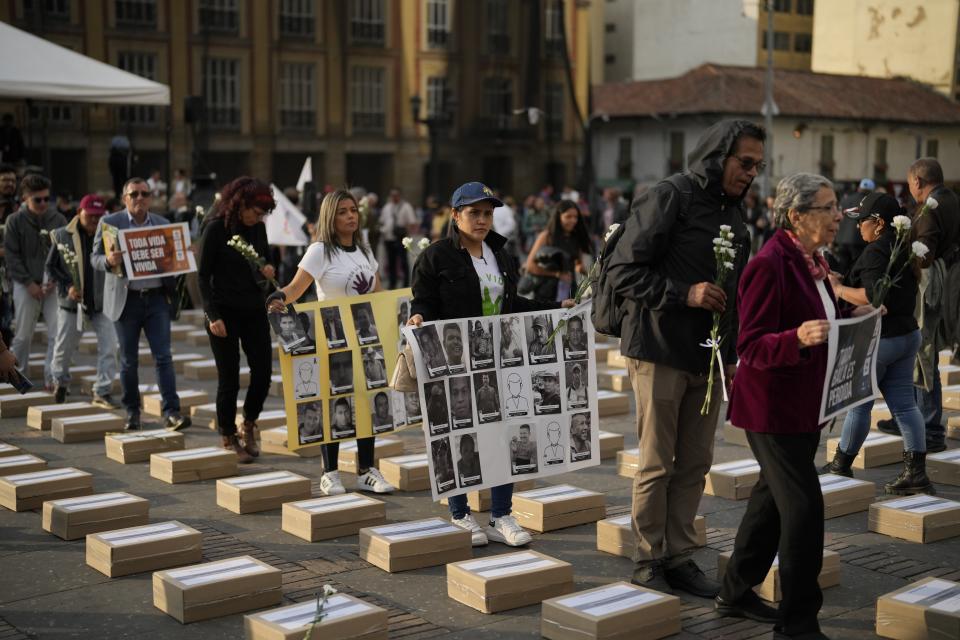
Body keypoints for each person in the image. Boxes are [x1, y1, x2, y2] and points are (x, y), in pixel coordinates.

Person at [605, 119, 764, 597]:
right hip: (657, 348)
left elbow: (733, 295)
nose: (752, 173)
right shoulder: (670, 195)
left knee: (696, 461)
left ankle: (679, 553)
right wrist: (684, 293)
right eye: (745, 162)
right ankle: (648, 556)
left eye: (758, 165)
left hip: (707, 357)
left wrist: (731, 357)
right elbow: (621, 271)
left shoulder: (736, 218)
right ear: (719, 157)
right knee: (656, 460)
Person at [719, 173, 878, 640]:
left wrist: (855, 315)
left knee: (770, 504)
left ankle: (732, 591)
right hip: (772, 411)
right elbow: (750, 345)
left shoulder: (812, 259)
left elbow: (820, 316)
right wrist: (796, 338)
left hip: (805, 406)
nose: (838, 216)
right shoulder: (769, 264)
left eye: (837, 208)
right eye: (828, 208)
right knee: (804, 509)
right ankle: (798, 623)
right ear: (796, 216)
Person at [408, 180, 567, 547]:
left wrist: (556, 309)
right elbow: (424, 302)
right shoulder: (435, 257)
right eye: (474, 213)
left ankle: (501, 514)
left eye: (487, 213)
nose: (482, 220)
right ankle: (461, 514)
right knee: (460, 434)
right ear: (455, 215)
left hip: (501, 359)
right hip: (456, 363)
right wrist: (418, 317)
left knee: (504, 433)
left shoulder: (501, 255)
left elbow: (513, 306)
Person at [267, 189, 394, 495]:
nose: (351, 215)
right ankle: (330, 472)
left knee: (366, 401)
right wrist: (279, 297)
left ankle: (366, 470)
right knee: (336, 401)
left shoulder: (365, 251)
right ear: (330, 217)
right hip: (333, 337)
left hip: (365, 340)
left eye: (353, 210)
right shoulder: (319, 251)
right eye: (343, 211)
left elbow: (376, 293)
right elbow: (298, 287)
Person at [822, 192, 932, 495]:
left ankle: (841, 465)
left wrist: (839, 287)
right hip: (907, 335)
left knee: (859, 406)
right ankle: (916, 472)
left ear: (880, 224)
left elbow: (872, 297)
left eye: (863, 222)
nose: (858, 228)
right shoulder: (901, 247)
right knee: (905, 406)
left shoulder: (876, 251)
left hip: (881, 340)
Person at [91, 177, 190, 431]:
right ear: (125, 198)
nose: (139, 199)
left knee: (164, 357)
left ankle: (171, 412)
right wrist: (109, 261)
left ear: (151, 198)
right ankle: (132, 412)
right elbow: (94, 258)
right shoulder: (109, 223)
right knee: (128, 360)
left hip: (156, 299)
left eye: (144, 194)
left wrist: (183, 258)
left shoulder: (163, 224)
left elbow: (174, 263)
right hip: (126, 301)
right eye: (134, 194)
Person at [876, 158, 960, 454]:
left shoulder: (929, 207)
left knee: (923, 355)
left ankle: (930, 427)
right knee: (921, 352)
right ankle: (910, 419)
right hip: (948, 281)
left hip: (930, 286)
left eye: (910, 184)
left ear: (918, 182)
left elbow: (924, 252)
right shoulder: (952, 199)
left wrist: (901, 259)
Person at [197, 177, 277, 462]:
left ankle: (249, 422)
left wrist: (267, 271)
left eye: (263, 214)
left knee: (263, 373)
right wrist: (212, 315)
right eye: (256, 212)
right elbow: (203, 277)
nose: (258, 218)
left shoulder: (259, 230)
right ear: (240, 203)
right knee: (229, 378)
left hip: (253, 308)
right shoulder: (216, 229)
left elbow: (263, 263)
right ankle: (228, 434)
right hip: (223, 312)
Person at [46, 194, 119, 407]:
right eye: (91, 216)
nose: (95, 221)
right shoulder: (62, 235)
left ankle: (102, 391)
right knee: (64, 346)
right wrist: (67, 286)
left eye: (99, 216)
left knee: (109, 347)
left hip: (101, 302)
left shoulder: (109, 236)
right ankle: (60, 381)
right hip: (71, 303)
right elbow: (51, 267)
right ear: (80, 212)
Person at [4, 173, 66, 387]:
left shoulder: (58, 219)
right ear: (25, 199)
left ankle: (52, 376)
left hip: (53, 283)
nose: (43, 204)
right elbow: (12, 257)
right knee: (22, 334)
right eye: (37, 199)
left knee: (58, 332)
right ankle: (17, 375)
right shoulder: (14, 221)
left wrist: (57, 279)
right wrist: (29, 283)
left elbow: (65, 252)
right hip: (25, 284)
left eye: (46, 199)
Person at [525, 199, 591, 302]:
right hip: (546, 294)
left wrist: (591, 276)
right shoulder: (546, 236)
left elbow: (578, 265)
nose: (573, 220)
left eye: (575, 217)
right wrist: (557, 274)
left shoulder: (575, 237)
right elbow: (530, 266)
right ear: (558, 217)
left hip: (570, 293)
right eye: (568, 216)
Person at [379, 187, 418, 288]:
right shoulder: (387, 207)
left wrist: (407, 236)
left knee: (403, 261)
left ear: (400, 196)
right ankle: (392, 283)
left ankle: (406, 283)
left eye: (396, 195)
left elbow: (412, 222)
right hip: (389, 238)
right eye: (392, 195)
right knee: (391, 262)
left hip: (401, 237)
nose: (394, 197)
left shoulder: (406, 206)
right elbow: (382, 221)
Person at [833, 178, 873, 273]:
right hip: (859, 240)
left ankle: (840, 285)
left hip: (841, 239)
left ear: (859, 188)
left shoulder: (846, 199)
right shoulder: (869, 201)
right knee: (856, 268)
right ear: (871, 190)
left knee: (842, 268)